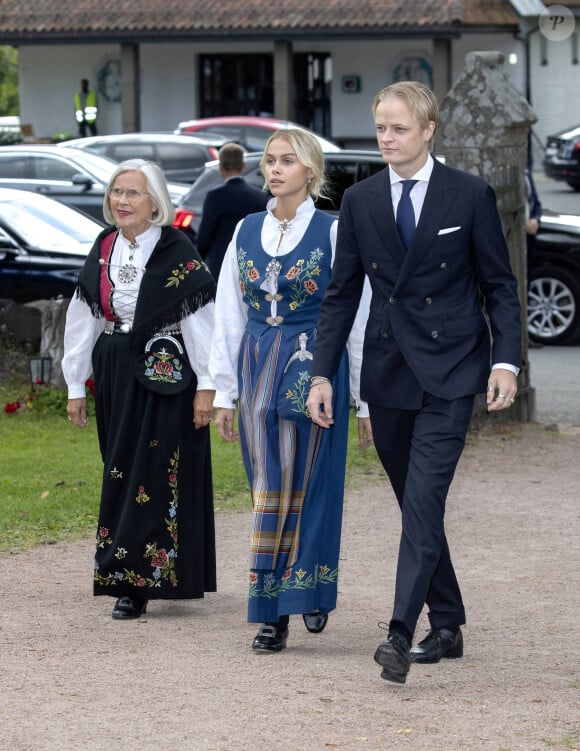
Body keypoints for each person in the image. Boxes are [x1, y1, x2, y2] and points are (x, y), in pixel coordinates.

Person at [307, 81, 522, 684]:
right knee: (415, 506)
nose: (387, 138)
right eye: (380, 128)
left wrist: (505, 362)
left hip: (453, 370)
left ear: (429, 130)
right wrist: (323, 373)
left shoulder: (469, 194)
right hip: (388, 371)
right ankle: (448, 619)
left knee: (424, 501)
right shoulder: (361, 199)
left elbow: (500, 287)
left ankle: (401, 632)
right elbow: (342, 292)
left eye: (399, 128)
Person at [209, 129, 372, 652]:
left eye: (288, 161)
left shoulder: (333, 229)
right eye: (269, 160)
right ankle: (271, 605)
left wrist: (363, 397)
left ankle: (308, 592)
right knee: (267, 488)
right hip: (257, 367)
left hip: (313, 369)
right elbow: (228, 316)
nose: (275, 169)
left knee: (313, 483)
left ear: (311, 171)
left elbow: (358, 317)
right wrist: (221, 392)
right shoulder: (245, 229)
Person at [63, 158, 217, 620]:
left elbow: (200, 320)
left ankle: (140, 580)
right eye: (116, 192)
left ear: (156, 202)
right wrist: (75, 384)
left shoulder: (177, 248)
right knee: (119, 468)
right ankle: (124, 570)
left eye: (133, 193)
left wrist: (208, 386)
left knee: (155, 470)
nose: (122, 201)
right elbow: (83, 314)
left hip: (165, 369)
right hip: (113, 366)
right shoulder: (104, 245)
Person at [196, 142, 269, 280]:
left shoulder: (215, 196)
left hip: (221, 265)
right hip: (251, 265)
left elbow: (205, 236)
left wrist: (197, 265)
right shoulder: (259, 197)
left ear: (221, 167)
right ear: (243, 166)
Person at [525, 167, 543, 348]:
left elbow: (535, 203)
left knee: (527, 283)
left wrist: (535, 219)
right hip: (519, 233)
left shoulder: (526, 172)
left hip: (530, 236)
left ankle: (527, 332)